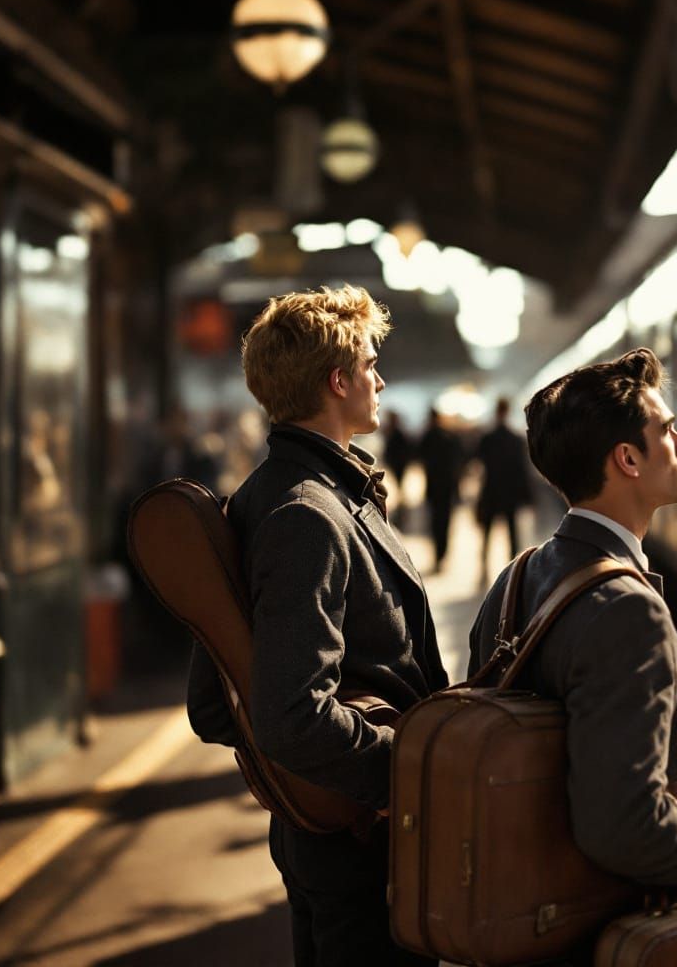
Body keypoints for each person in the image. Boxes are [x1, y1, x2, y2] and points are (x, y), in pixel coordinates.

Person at [468, 348, 677, 960]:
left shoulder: (516, 578)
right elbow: (623, 825)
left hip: (533, 914)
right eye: (666, 430)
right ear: (628, 460)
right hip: (605, 929)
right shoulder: (625, 610)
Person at [186, 285, 448, 967]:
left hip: (325, 835)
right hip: (361, 846)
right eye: (368, 364)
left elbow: (217, 706)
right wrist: (406, 775)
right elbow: (290, 714)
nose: (380, 379)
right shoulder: (309, 515)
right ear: (338, 381)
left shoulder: (264, 496)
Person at [475, 396, 533, 583]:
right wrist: (527, 496)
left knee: (487, 534)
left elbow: (478, 465)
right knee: (512, 534)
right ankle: (513, 574)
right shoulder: (515, 439)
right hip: (509, 494)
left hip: (491, 491)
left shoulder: (487, 438)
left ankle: (483, 571)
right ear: (507, 411)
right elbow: (522, 470)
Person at [417, 407, 463, 572]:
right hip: (448, 488)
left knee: (435, 523)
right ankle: (443, 554)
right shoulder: (449, 436)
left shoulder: (428, 437)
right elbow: (458, 463)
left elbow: (418, 456)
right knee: (445, 523)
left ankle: (438, 556)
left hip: (434, 488)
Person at [382, 409, 415, 528]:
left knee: (401, 491)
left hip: (399, 465)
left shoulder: (397, 433)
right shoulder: (396, 432)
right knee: (400, 490)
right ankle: (402, 515)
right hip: (398, 465)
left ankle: (402, 515)